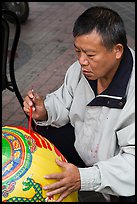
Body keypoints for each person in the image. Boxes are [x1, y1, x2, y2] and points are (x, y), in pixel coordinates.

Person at [23, 6, 135, 202]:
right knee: (41, 133)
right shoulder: (80, 71)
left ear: (117, 51)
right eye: (77, 51)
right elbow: (64, 100)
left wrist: (84, 178)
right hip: (85, 147)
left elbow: (132, 163)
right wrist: (45, 110)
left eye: (90, 55)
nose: (82, 61)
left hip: (120, 171)